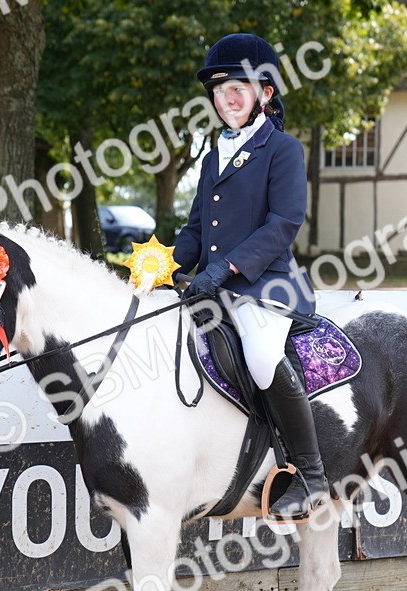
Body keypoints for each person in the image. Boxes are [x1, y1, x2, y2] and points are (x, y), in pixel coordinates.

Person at [172, 32, 327, 521]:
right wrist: (163, 264)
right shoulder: (214, 154)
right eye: (220, 90)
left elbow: (284, 223)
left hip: (264, 287)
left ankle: (311, 475)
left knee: (262, 359)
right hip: (214, 286)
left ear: (266, 92)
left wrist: (227, 267)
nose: (228, 97)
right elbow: (196, 228)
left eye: (240, 86)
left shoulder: (282, 149)